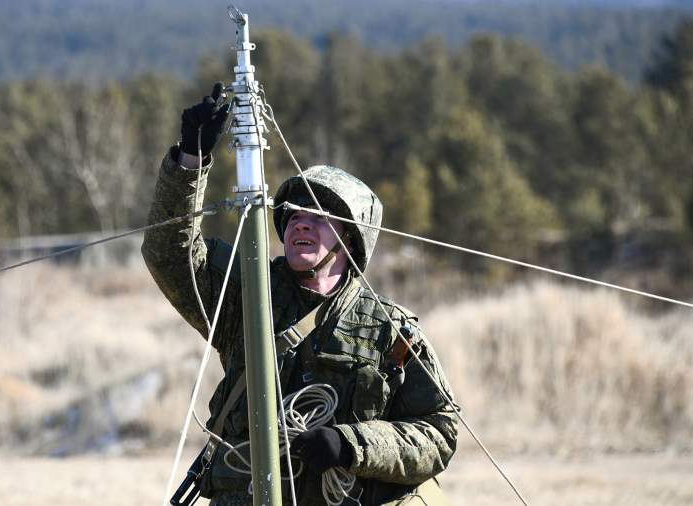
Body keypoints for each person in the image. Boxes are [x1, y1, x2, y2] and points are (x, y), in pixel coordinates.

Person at [142, 84, 458, 506]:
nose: (301, 224)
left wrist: (351, 445)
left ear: (351, 239)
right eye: (293, 215)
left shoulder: (389, 329)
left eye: (319, 217)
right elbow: (169, 256)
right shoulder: (246, 294)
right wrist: (189, 161)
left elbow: (439, 431)